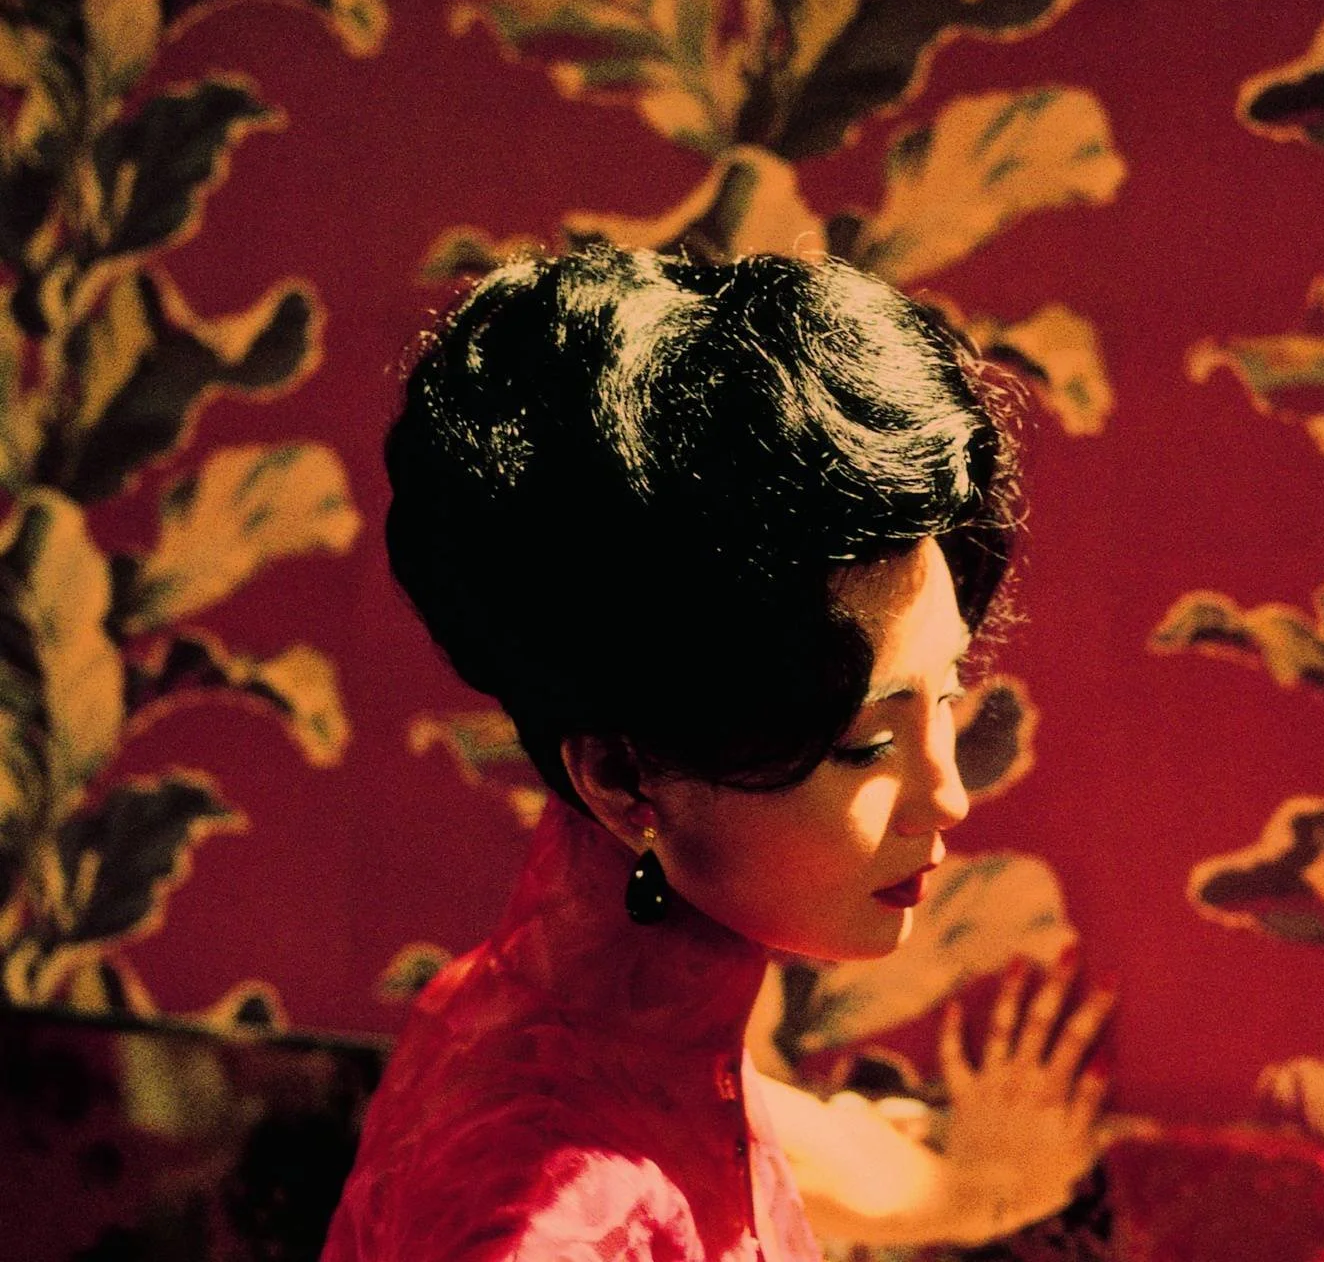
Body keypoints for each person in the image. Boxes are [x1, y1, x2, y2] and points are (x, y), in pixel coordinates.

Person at [321, 246, 1114, 1262]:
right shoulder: (558, 1225)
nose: (946, 795)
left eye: (948, 692)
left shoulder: (529, 1005)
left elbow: (713, 1116)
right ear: (623, 780)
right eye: (865, 743)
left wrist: (969, 1187)